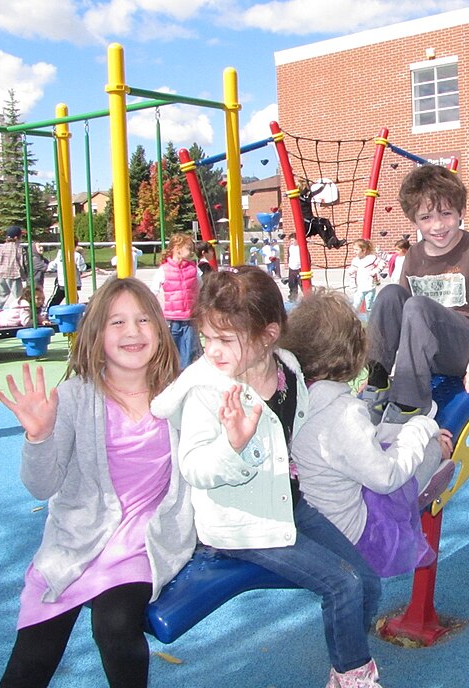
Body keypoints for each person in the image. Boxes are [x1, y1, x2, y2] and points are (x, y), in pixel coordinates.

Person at [150, 267, 385, 688]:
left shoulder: (288, 370)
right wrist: (233, 447)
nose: (211, 350)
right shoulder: (206, 392)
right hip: (241, 523)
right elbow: (195, 468)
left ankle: (349, 653)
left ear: (267, 335)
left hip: (287, 504)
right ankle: (352, 676)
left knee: (367, 582)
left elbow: (300, 422)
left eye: (225, 339)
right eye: (207, 338)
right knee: (343, 585)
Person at [0, 277, 195, 688]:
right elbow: (41, 485)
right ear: (97, 333)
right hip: (78, 538)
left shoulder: (181, 395)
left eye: (142, 320)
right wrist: (39, 436)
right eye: (117, 322)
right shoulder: (73, 397)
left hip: (144, 542)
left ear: (160, 328)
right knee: (29, 662)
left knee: (116, 627)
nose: (132, 332)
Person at [284, 289, 454, 577]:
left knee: (385, 442)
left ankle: (415, 470)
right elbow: (385, 477)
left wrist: (401, 431)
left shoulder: (298, 397)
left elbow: (365, 434)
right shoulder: (343, 413)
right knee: (431, 449)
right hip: (357, 540)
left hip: (309, 523)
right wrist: (423, 426)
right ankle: (416, 494)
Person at [361, 164, 469, 426]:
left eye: (446, 214)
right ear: (414, 220)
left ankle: (411, 404)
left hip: (461, 345)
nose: (438, 225)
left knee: (417, 306)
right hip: (426, 350)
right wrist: (396, 370)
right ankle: (377, 381)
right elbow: (400, 319)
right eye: (426, 217)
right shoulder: (415, 255)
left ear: (461, 212)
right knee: (390, 294)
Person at [151, 233, 202, 368]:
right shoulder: (164, 270)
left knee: (189, 352)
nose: (191, 252)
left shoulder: (193, 269)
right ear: (177, 248)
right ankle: (170, 376)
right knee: (171, 351)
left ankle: (184, 376)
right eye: (188, 248)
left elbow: (201, 288)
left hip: (189, 317)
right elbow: (153, 291)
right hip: (170, 319)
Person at [0, 225, 29, 313]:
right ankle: (23, 313)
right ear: (16, 237)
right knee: (19, 296)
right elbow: (23, 263)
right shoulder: (19, 249)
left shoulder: (0, 248)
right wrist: (25, 275)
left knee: (0, 296)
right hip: (13, 275)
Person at [300, 183, 346, 249]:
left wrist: (323, 186)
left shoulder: (308, 196)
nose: (307, 190)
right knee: (318, 223)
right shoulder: (299, 197)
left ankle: (336, 242)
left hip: (311, 220)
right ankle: (327, 242)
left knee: (325, 221)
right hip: (306, 223)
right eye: (306, 188)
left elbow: (316, 192)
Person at [45, 240, 87, 311]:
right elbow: (82, 268)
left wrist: (49, 268)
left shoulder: (61, 253)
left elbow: (55, 263)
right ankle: (48, 310)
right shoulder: (76, 255)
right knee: (69, 297)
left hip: (62, 280)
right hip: (72, 281)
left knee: (57, 297)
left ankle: (48, 310)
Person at [347, 239, 384, 314]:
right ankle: (353, 319)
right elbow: (353, 270)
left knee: (369, 306)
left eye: (356, 250)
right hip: (359, 287)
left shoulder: (371, 258)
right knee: (356, 304)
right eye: (354, 249)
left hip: (370, 286)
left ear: (364, 250)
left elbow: (382, 263)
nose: (354, 251)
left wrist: (375, 271)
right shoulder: (355, 260)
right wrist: (350, 271)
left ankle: (370, 322)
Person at [30, 242, 49, 311]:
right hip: (34, 283)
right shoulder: (35, 259)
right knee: (37, 298)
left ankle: (39, 312)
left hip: (39, 282)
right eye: (39, 247)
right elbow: (47, 267)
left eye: (41, 246)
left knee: (40, 298)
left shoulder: (41, 258)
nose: (41, 248)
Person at [286, 233, 301, 302]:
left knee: (301, 283)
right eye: (290, 241)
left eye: (293, 240)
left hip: (300, 268)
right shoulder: (290, 248)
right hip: (292, 268)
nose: (291, 242)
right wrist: (289, 264)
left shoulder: (301, 247)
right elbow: (289, 256)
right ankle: (292, 298)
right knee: (292, 284)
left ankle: (308, 297)